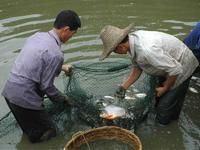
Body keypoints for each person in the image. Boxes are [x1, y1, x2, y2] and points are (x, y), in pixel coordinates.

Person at [1, 10, 81, 143]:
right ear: (66, 30)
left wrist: (61, 66)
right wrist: (63, 99)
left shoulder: (37, 36)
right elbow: (46, 86)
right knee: (49, 132)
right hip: (25, 99)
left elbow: (35, 62)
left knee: (29, 131)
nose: (70, 37)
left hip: (9, 94)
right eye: (72, 34)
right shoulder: (56, 54)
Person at [99, 24, 199, 125]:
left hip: (183, 65)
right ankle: (173, 116)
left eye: (113, 50)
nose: (115, 53)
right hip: (169, 64)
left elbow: (176, 70)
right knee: (163, 100)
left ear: (120, 47)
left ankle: (164, 128)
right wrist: (124, 87)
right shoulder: (132, 41)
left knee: (164, 107)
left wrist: (165, 87)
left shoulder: (146, 50)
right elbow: (137, 68)